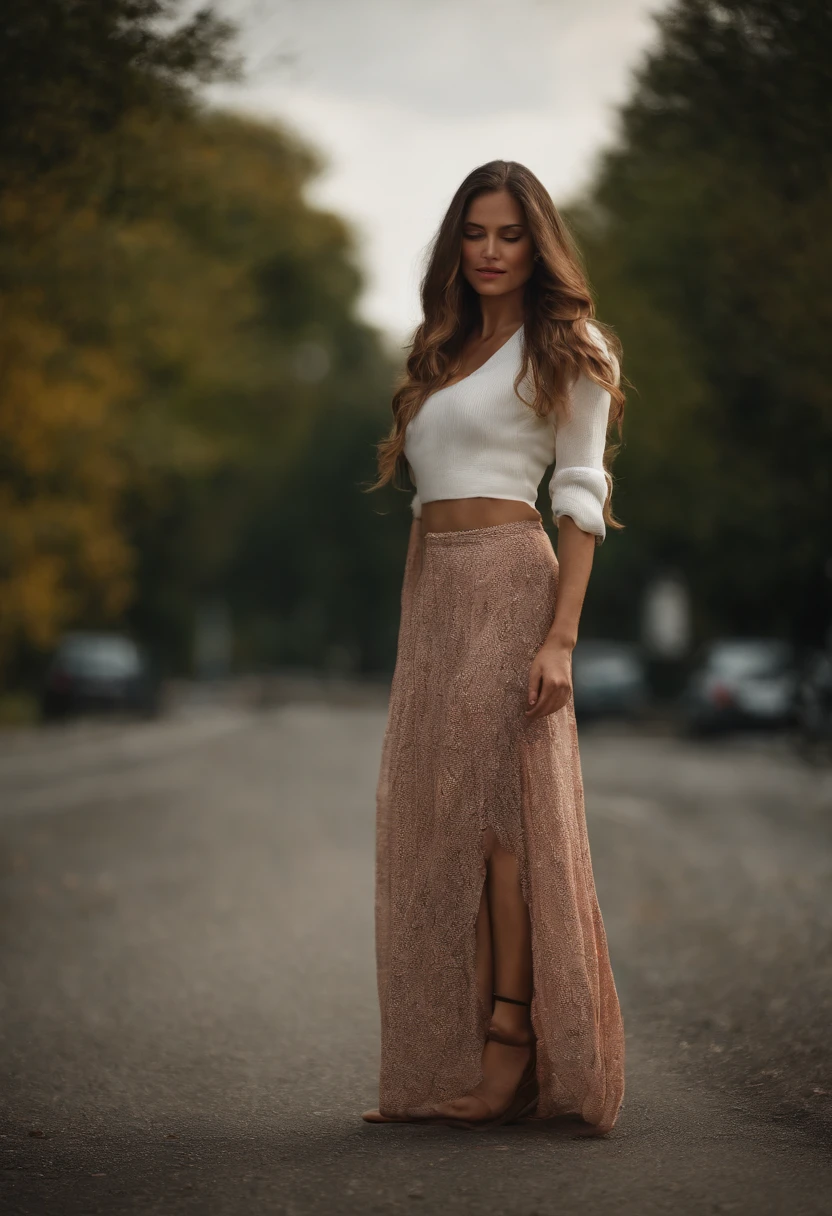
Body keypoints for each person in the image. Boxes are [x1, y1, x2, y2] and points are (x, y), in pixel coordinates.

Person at [362, 160, 626, 1134]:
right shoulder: (443, 348)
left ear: (537, 241)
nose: (489, 250)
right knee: (437, 819)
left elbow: (582, 496)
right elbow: (429, 495)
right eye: (473, 232)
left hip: (514, 586)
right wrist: (424, 615)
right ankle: (466, 1044)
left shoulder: (568, 346)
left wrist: (559, 635)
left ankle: (512, 1050)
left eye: (509, 233)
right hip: (433, 593)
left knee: (500, 823)